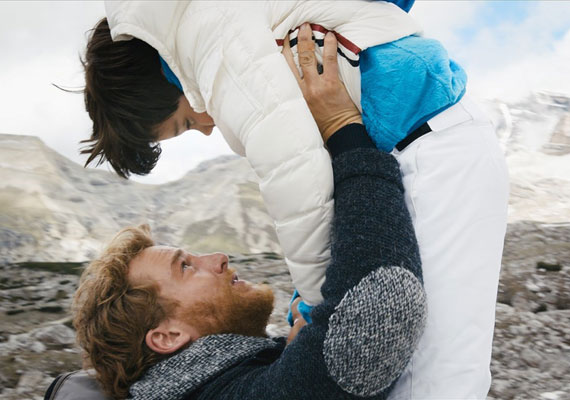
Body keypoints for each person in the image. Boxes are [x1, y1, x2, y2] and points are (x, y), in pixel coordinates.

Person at [81, 1, 509, 398]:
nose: (220, 257)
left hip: (430, 136)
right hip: (427, 137)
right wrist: (344, 130)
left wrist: (304, 334)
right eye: (186, 266)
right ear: (167, 337)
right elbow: (372, 317)